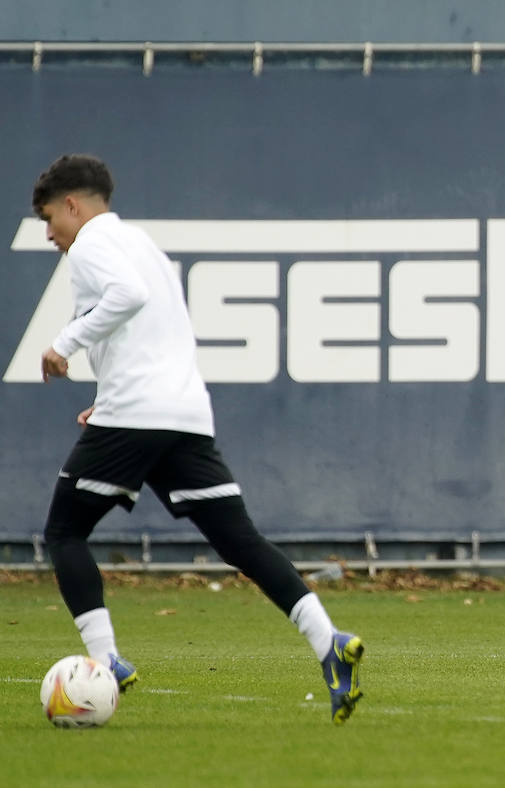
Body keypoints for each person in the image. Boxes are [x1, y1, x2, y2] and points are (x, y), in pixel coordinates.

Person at [32, 153, 368, 723]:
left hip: (137, 413)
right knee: (241, 543)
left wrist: (63, 343)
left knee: (64, 532)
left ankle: (106, 660)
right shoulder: (145, 246)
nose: (49, 235)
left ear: (72, 204)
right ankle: (329, 642)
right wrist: (114, 394)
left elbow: (127, 298)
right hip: (182, 413)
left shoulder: (90, 243)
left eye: (49, 219)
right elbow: (160, 325)